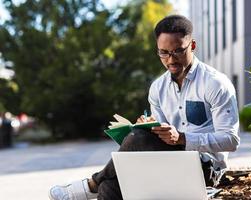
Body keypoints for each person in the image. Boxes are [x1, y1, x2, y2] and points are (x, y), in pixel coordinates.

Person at [48, 14, 240, 200]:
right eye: (164, 53)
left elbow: (231, 140)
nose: (171, 60)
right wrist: (151, 127)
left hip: (206, 169)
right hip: (171, 162)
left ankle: (92, 184)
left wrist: (182, 138)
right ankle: (99, 184)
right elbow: (161, 140)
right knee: (111, 186)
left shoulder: (215, 84)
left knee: (137, 139)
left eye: (178, 51)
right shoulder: (158, 88)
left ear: (193, 46)